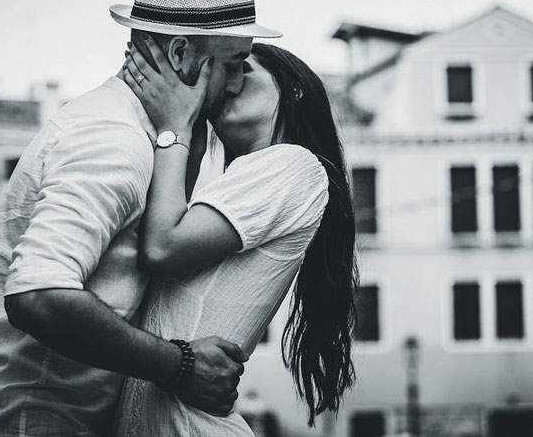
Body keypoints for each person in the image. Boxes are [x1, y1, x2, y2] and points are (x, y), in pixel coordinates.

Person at [0, 0, 282, 437]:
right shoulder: (115, 139)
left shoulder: (132, 131)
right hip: (16, 423)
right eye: (233, 64)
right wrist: (182, 365)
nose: (237, 84)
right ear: (180, 55)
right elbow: (38, 294)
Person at [111, 39, 359, 436]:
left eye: (242, 68)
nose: (228, 83)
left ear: (291, 88)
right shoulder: (230, 184)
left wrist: (173, 126)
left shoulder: (296, 165)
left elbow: (160, 248)